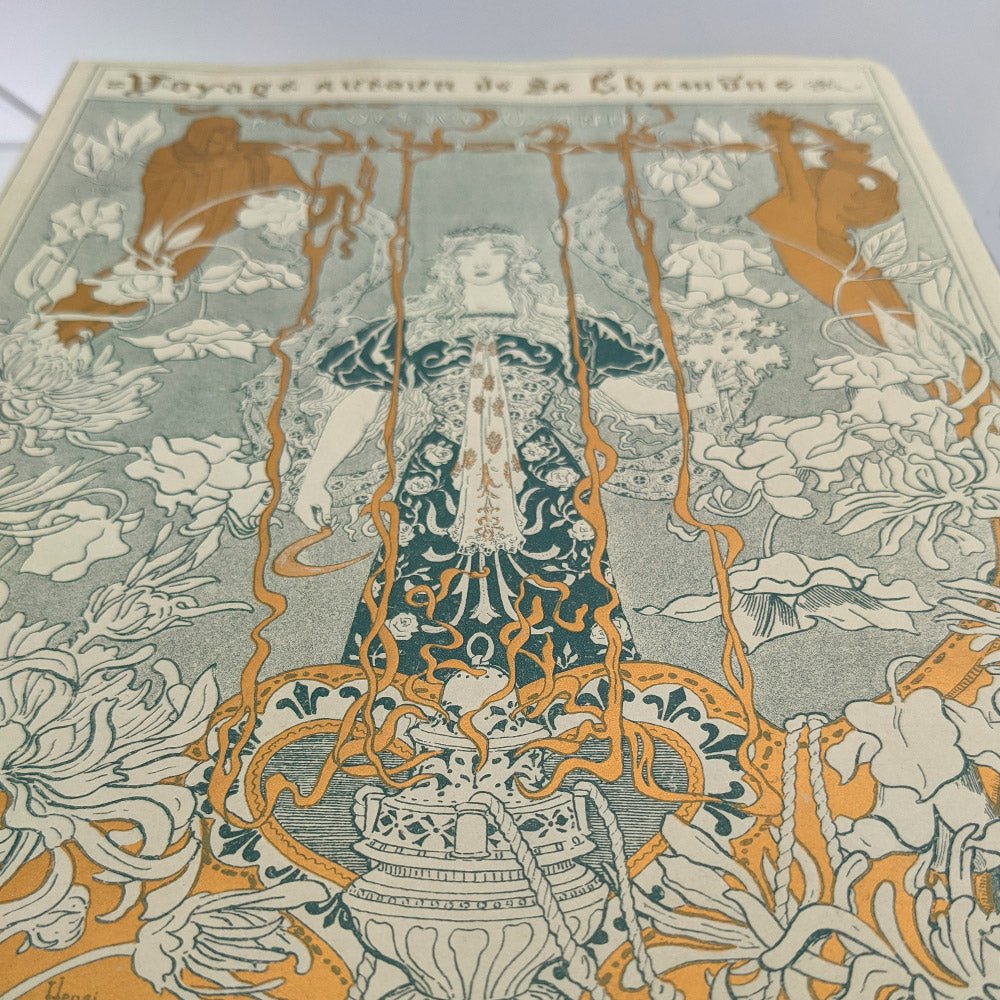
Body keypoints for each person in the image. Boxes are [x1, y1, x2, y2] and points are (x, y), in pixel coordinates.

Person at [294, 227, 721, 682]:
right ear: (450, 265)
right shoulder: (413, 332)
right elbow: (359, 407)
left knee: (559, 579)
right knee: (420, 578)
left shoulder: (559, 329)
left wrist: (698, 398)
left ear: (516, 262)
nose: (482, 260)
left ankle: (573, 692)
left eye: (496, 251)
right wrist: (314, 479)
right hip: (439, 480)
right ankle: (410, 694)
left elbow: (625, 395)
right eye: (468, 252)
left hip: (541, 479)